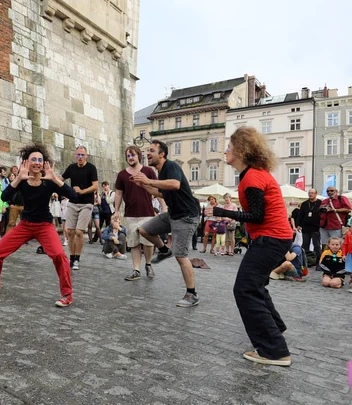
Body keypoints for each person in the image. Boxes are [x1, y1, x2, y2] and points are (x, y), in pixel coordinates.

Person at [211, 126, 292, 366]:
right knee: (255, 286)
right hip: (273, 237)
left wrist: (222, 212)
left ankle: (275, 351)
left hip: (271, 238)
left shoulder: (253, 177)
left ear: (240, 150)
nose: (226, 150)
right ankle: (276, 329)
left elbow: (256, 216)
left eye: (230, 146)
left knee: (245, 289)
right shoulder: (253, 175)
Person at [0, 144, 77, 307]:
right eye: (33, 160)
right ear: (27, 163)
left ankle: (67, 295)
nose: (37, 162)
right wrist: (18, 178)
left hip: (44, 225)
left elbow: (73, 196)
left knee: (59, 256)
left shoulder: (48, 182)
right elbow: (4, 197)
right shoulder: (22, 181)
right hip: (25, 225)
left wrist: (55, 179)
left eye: (39, 160)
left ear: (44, 163)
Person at [131, 140, 200, 307]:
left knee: (181, 256)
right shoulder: (160, 172)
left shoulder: (171, 166)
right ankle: (163, 250)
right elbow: (161, 193)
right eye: (147, 150)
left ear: (162, 154)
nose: (148, 153)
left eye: (152, 151)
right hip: (173, 215)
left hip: (186, 217)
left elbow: (175, 185)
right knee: (144, 230)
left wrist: (148, 181)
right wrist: (143, 185)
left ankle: (192, 294)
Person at [113, 145, 157, 281]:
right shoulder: (122, 175)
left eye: (133, 155)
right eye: (128, 156)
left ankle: (148, 264)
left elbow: (158, 189)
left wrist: (164, 208)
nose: (130, 158)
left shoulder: (148, 171)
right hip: (131, 214)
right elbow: (119, 193)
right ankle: (136, 270)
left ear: (139, 156)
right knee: (134, 243)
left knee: (148, 242)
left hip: (147, 213)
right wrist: (116, 211)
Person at [61, 146, 98, 270]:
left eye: (82, 155)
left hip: (86, 204)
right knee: (69, 231)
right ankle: (71, 258)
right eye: (78, 155)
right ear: (75, 156)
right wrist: (57, 189)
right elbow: (61, 180)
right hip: (73, 202)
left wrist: (82, 191)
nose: (80, 157)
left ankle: (77, 259)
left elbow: (95, 186)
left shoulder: (91, 168)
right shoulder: (71, 168)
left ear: (86, 156)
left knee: (78, 231)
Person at [296, 189, 321, 268]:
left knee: (316, 245)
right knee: (305, 245)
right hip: (305, 227)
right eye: (309, 193)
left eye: (312, 193)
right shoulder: (304, 204)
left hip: (316, 227)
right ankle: (304, 262)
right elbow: (300, 215)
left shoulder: (320, 203)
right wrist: (298, 225)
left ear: (316, 194)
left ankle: (318, 263)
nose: (310, 194)